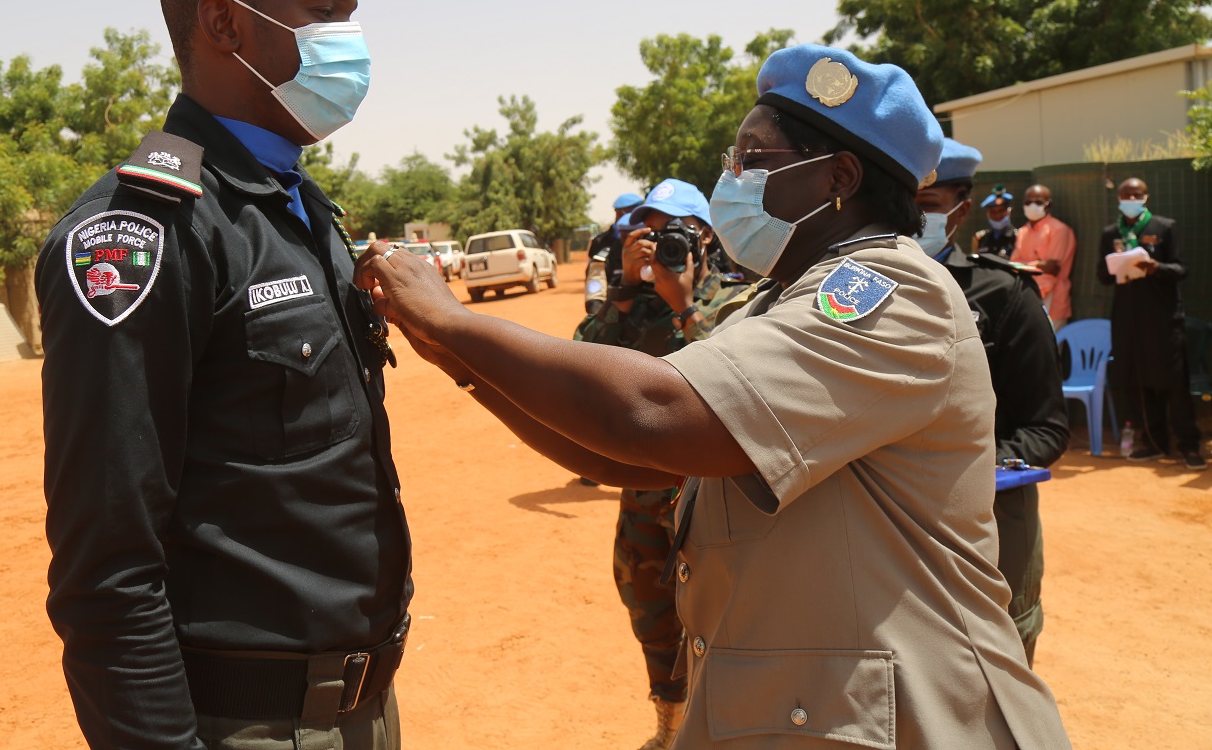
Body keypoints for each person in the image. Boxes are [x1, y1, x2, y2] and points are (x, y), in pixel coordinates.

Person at [356, 44, 1072, 749]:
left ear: (839, 178)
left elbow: (656, 416)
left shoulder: (888, 292)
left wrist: (454, 318)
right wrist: (456, 357)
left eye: (751, 159)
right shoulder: (775, 303)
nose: (731, 178)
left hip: (917, 719)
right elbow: (631, 461)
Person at [36, 0, 457, 750]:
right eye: (323, 13)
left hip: (362, 712)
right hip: (247, 725)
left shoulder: (296, 209)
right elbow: (107, 569)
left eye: (353, 13)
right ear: (224, 23)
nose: (351, 44)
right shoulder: (143, 234)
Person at [573, 178, 749, 750]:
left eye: (673, 229)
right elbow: (581, 364)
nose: (659, 239)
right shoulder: (629, 304)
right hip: (645, 498)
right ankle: (670, 729)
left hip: (717, 505)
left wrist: (686, 306)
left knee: (726, 620)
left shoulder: (734, 298)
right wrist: (623, 290)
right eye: (648, 228)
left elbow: (739, 387)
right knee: (649, 610)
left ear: (703, 237)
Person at [914, 140, 1070, 664]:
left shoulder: (1005, 295)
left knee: (994, 684)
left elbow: (1045, 429)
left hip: (990, 533)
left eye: (928, 204)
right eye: (903, 200)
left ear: (961, 207)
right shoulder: (855, 290)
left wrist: (958, 466)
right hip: (891, 537)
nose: (913, 217)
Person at [1097, 177, 1205, 471]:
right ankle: (1153, 443)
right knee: (1136, 381)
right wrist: (1116, 262)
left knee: (1174, 382)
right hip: (1128, 320)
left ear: (1146, 197)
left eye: (1136, 194)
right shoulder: (1111, 233)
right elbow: (1102, 276)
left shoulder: (1165, 227)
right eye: (1125, 194)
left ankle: (1189, 446)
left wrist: (1156, 267)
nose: (1130, 198)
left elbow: (1181, 269)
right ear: (1118, 198)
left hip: (1163, 318)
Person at [1011, 183, 1076, 330]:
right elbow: (1013, 265)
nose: (1032, 205)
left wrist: (1025, 265)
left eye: (1038, 202)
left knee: (1051, 350)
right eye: (1028, 202)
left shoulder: (1059, 230)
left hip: (1052, 304)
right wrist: (1038, 264)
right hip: (1026, 300)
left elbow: (1052, 269)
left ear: (1048, 204)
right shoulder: (1022, 232)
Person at [585, 192, 644, 314]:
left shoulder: (654, 241)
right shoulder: (601, 243)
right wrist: (600, 318)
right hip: (612, 311)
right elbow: (594, 284)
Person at [973, 184, 1017, 259]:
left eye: (1001, 211)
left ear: (1009, 211)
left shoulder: (1018, 237)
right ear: (987, 214)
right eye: (993, 212)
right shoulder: (980, 238)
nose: (997, 215)